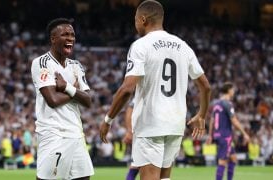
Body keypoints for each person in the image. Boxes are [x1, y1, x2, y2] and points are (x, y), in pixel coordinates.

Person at [99, 1, 211, 180]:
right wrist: (201, 115)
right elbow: (205, 86)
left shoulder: (141, 45)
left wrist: (108, 119)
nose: (135, 24)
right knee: (164, 178)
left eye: (135, 19)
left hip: (151, 122)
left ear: (143, 19)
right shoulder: (183, 46)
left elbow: (127, 89)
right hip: (175, 123)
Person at [31, 18, 94, 180]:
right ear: (53, 39)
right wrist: (75, 92)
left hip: (76, 133)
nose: (70, 38)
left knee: (83, 178)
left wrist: (66, 87)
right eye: (65, 34)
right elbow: (52, 100)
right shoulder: (41, 63)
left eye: (72, 35)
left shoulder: (76, 66)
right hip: (53, 133)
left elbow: (88, 101)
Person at [207, 82, 250, 180]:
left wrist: (210, 135)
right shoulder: (228, 104)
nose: (234, 91)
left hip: (218, 135)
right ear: (229, 90)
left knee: (233, 158)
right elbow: (234, 121)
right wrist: (245, 133)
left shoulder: (216, 104)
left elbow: (212, 121)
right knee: (222, 161)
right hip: (225, 136)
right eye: (233, 89)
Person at [123, 101, 139, 180]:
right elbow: (130, 108)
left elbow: (130, 108)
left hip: (146, 135)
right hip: (143, 135)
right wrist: (130, 131)